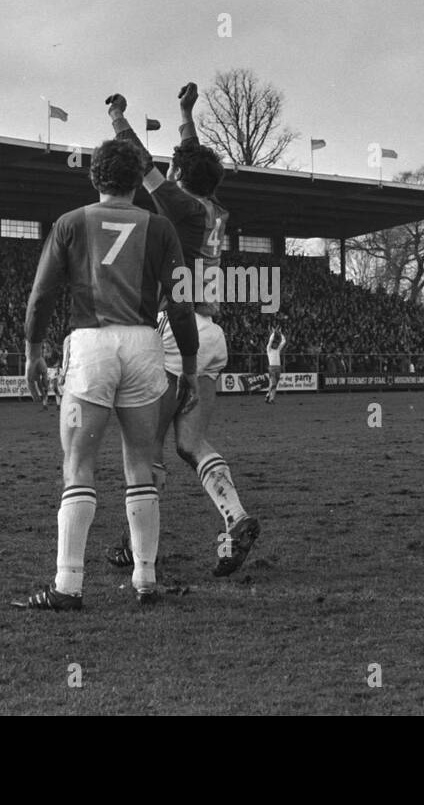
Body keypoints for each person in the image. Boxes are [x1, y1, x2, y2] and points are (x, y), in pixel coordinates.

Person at [13, 138, 199, 610]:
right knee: (140, 462)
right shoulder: (159, 227)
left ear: (94, 177)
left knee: (78, 463)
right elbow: (179, 302)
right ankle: (145, 580)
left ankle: (68, 586)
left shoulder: (70, 223)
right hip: (143, 345)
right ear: (138, 179)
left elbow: (40, 297)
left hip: (91, 345)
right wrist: (191, 367)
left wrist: (34, 352)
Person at [102, 84, 261, 577]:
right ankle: (235, 517)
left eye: (175, 171)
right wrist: (185, 115)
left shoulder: (184, 208)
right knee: (191, 444)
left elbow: (141, 163)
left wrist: (116, 118)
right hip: (212, 333)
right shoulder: (213, 209)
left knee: (146, 449)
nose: (168, 173)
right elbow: (192, 164)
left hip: (178, 332)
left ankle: (138, 549)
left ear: (181, 180)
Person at [264, 327, 286, 404]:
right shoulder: (269, 350)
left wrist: (280, 333)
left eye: (276, 344)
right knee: (273, 384)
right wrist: (274, 333)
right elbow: (270, 341)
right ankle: (267, 395)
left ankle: (271, 399)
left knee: (274, 384)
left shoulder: (277, 350)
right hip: (272, 368)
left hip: (278, 368)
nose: (275, 344)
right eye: (275, 343)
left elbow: (283, 341)